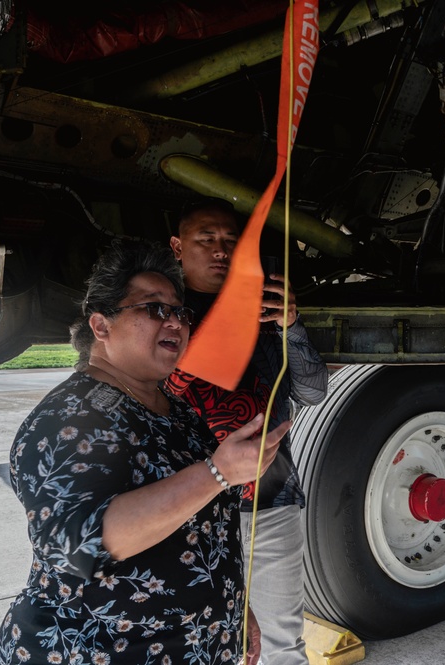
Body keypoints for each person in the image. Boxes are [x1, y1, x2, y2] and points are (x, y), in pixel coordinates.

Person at [0, 239, 287, 665]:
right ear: (101, 326)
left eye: (180, 312)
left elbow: (200, 531)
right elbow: (79, 547)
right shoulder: (67, 417)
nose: (176, 322)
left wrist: (233, 608)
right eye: (154, 309)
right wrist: (216, 473)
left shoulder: (177, 411)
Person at [166, 199, 328, 665]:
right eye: (206, 240)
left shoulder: (265, 308)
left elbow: (314, 394)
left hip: (269, 504)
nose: (220, 250)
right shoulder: (164, 317)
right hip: (187, 510)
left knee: (281, 647)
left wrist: (291, 326)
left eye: (230, 242)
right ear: (177, 247)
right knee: (197, 644)